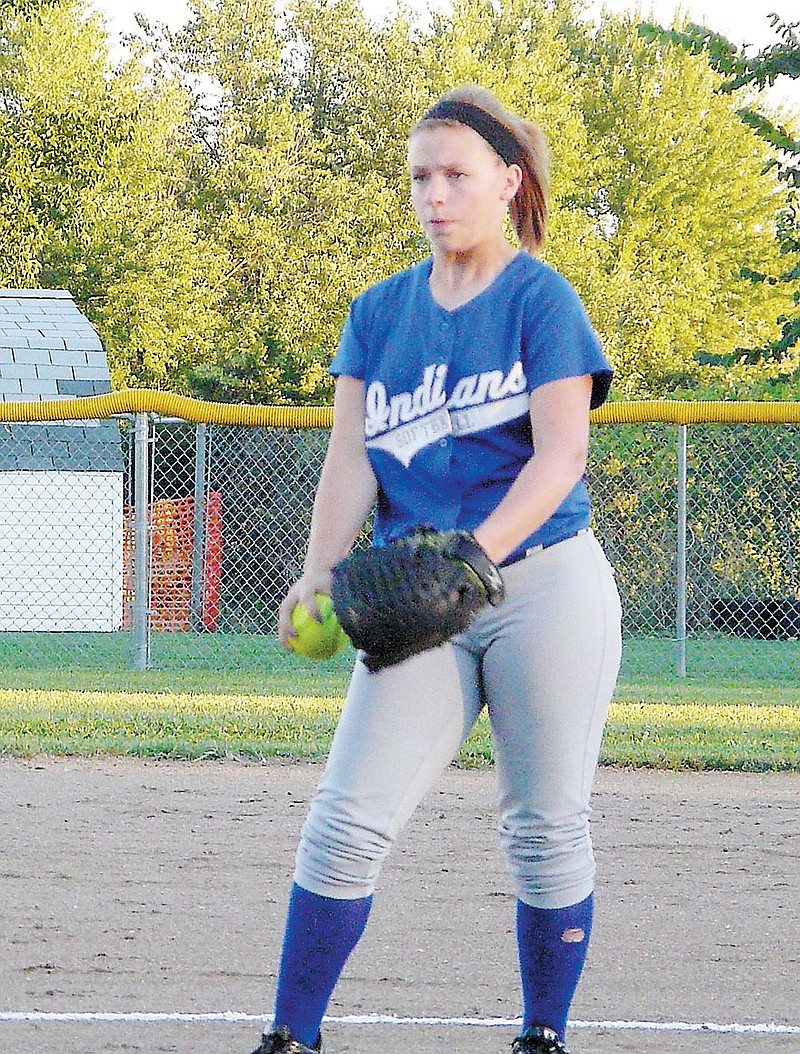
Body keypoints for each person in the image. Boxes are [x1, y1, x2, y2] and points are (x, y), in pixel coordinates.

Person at [260, 84, 623, 1054]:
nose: (435, 192)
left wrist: (475, 552)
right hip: (415, 595)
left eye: (456, 173)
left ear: (507, 182)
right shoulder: (378, 313)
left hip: (541, 584)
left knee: (543, 826)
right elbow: (350, 457)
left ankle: (540, 1034)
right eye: (420, 174)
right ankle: (290, 1037)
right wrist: (318, 571)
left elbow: (560, 456)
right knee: (344, 819)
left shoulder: (538, 299)